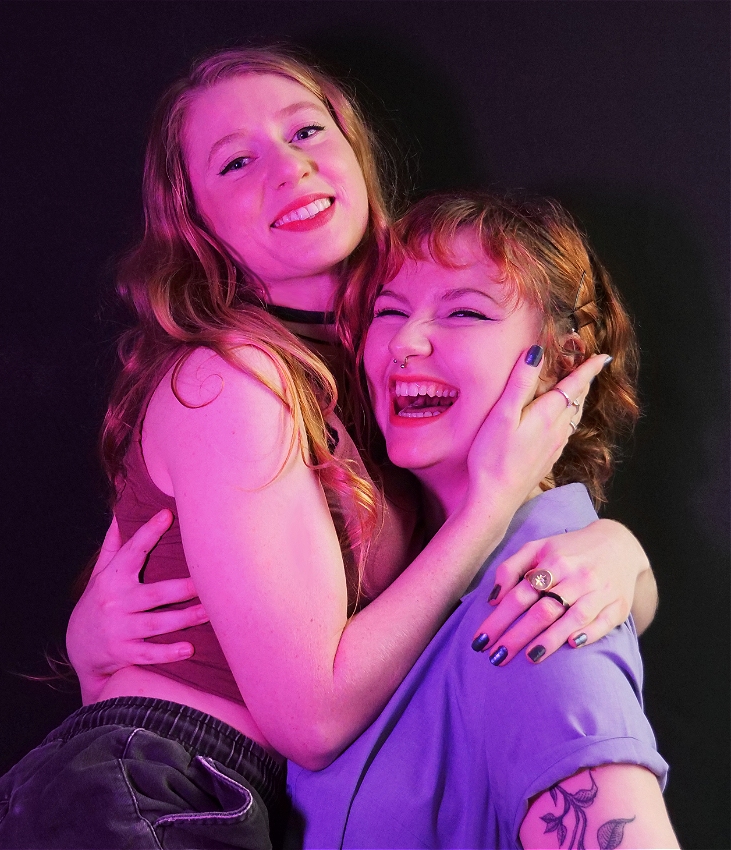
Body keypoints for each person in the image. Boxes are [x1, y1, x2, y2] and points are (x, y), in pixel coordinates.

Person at [0, 48, 653, 849]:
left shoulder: (375, 384)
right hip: (158, 786)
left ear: (356, 154)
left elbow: (470, 604)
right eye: (236, 161)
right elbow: (309, 715)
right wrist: (491, 501)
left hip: (242, 800)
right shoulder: (229, 381)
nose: (288, 168)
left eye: (307, 130)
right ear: (196, 223)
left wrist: (620, 559)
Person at [286, 191, 678, 849]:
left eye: (464, 311)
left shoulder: (538, 609)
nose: (406, 342)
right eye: (389, 310)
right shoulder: (386, 586)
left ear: (562, 357)